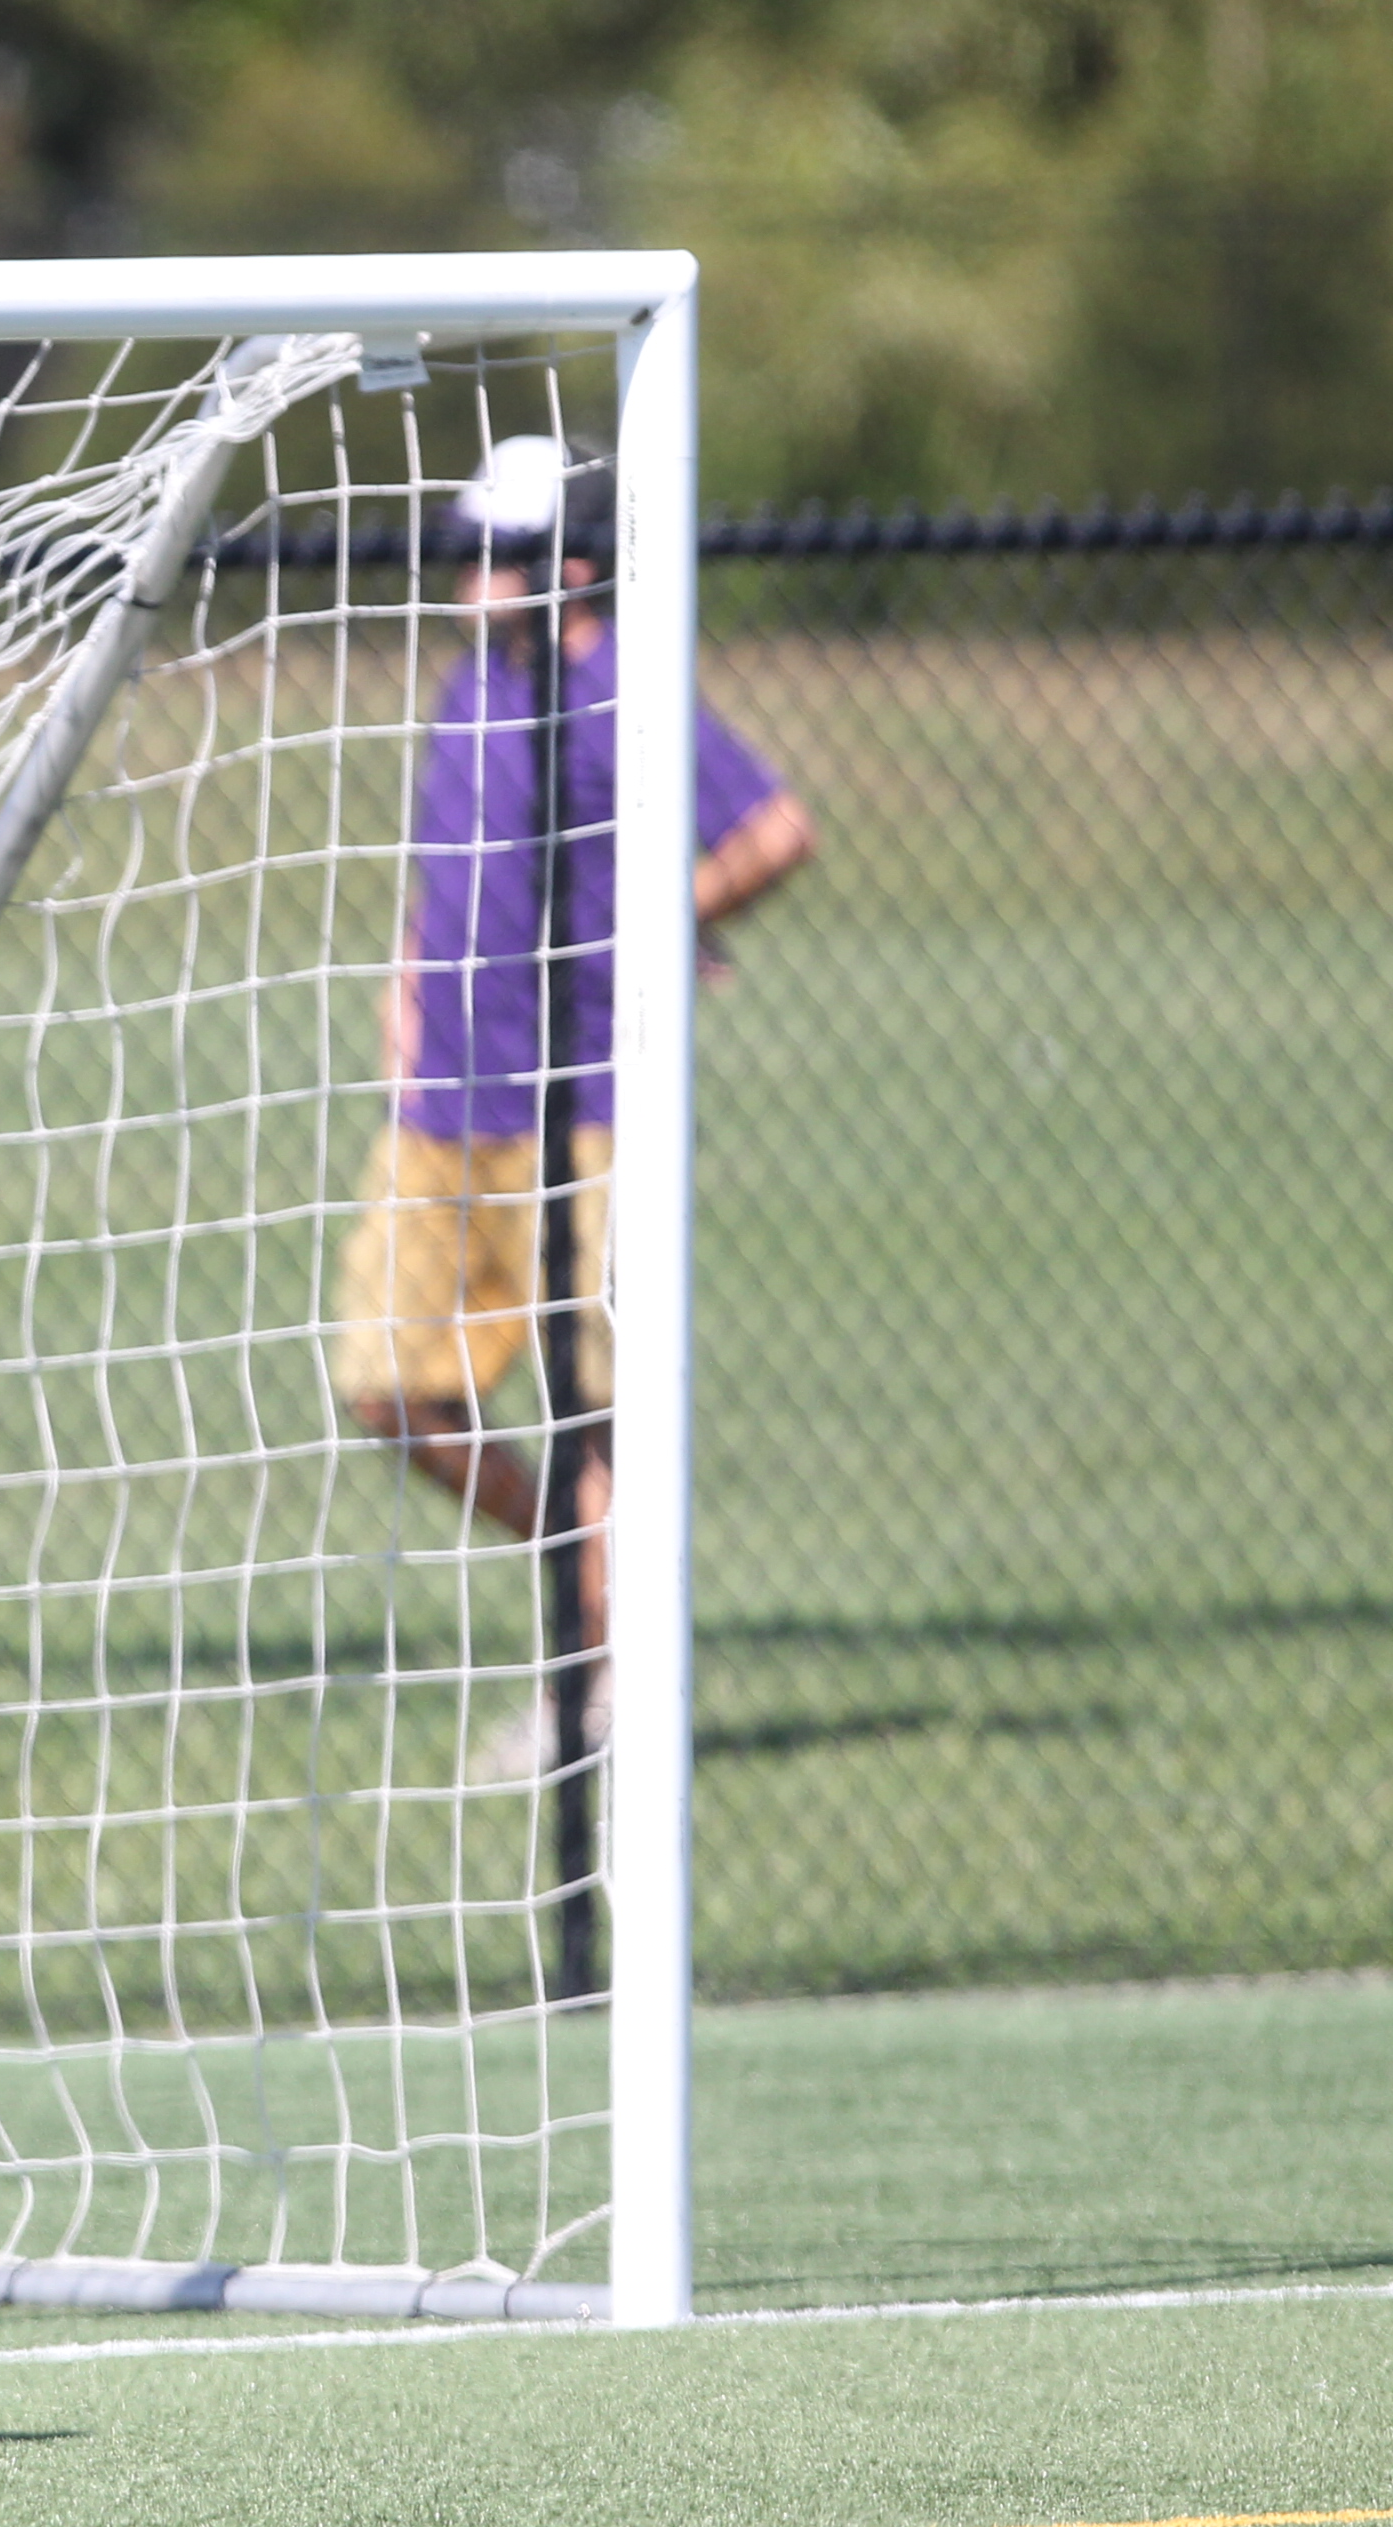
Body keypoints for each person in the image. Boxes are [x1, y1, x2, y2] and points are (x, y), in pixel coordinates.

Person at [332, 432, 814, 1781]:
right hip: (444, 1106)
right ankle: (574, 1554)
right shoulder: (470, 683)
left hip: (588, 1104)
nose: (469, 574)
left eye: (499, 553)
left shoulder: (622, 692)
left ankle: (596, 1692)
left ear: (577, 564)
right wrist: (407, 979)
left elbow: (774, 831)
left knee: (598, 1408)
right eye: (466, 548)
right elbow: (447, 861)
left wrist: (665, 918)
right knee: (387, 1391)